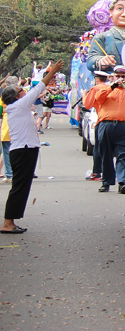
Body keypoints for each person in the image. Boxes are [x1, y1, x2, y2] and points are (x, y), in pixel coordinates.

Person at [1, 60, 64, 233]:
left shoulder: (16, 107)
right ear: (16, 96)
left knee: (21, 187)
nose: (24, 91)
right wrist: (53, 71)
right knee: (19, 187)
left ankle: (10, 221)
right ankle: (7, 223)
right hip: (23, 151)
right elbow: (39, 87)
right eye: (21, 90)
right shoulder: (19, 105)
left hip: (24, 149)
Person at [90, 66, 125, 194]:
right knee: (106, 155)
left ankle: (122, 183)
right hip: (107, 125)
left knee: (123, 155)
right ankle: (106, 183)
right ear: (113, 77)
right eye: (118, 76)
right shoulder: (106, 88)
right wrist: (113, 86)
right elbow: (98, 98)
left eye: (123, 76)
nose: (120, 78)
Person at [86, 0, 125, 74]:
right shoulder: (101, 38)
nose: (124, 14)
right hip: (109, 80)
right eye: (119, 8)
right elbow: (90, 61)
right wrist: (99, 61)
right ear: (111, 12)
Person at [82, 71, 111, 181]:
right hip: (112, 120)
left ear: (97, 79)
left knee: (98, 148)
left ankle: (97, 172)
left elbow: (87, 105)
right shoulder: (110, 87)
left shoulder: (95, 89)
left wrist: (84, 96)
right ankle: (109, 172)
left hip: (101, 119)